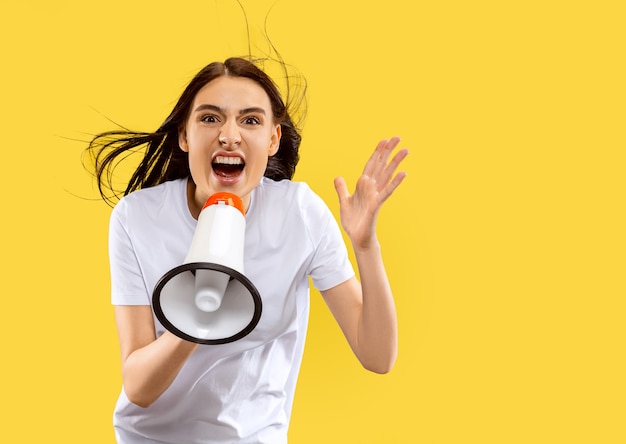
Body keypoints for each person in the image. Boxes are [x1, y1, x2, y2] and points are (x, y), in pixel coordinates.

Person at [86, 56, 408, 444]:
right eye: (209, 118)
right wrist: (200, 315)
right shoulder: (136, 217)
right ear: (185, 136)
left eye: (250, 120)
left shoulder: (299, 214)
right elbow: (138, 385)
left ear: (272, 140)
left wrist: (365, 245)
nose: (229, 135)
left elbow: (378, 356)